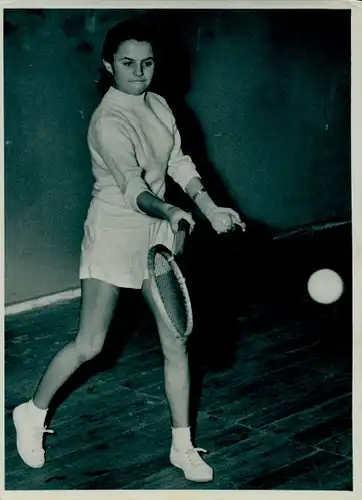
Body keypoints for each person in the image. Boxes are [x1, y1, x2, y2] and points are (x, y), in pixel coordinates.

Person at [12, 19, 245, 483]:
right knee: (90, 344)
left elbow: (179, 161)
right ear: (108, 65)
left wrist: (209, 204)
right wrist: (170, 211)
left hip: (153, 235)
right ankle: (32, 412)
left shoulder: (158, 104)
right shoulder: (108, 121)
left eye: (147, 62)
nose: (139, 72)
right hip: (114, 231)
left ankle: (182, 445)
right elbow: (134, 189)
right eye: (127, 63)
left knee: (175, 340)